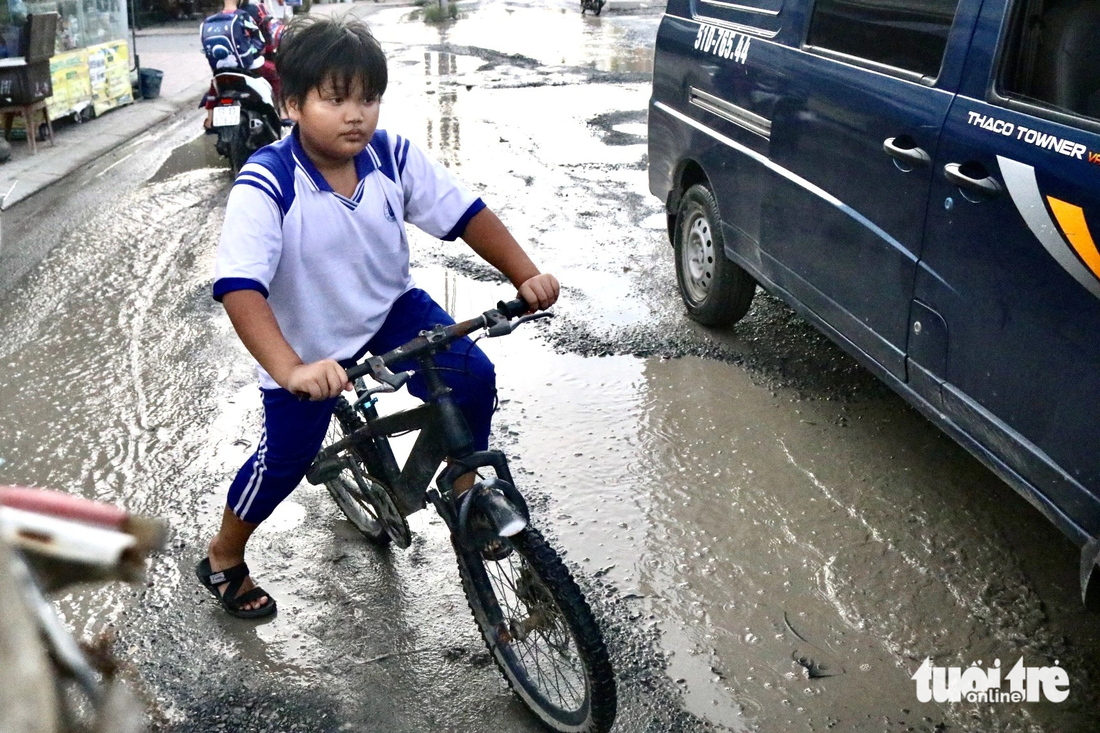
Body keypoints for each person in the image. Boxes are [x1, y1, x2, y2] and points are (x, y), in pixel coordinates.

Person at [194, 16, 560, 618]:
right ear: (290, 105)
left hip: (390, 310)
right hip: (306, 342)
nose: (356, 114)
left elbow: (465, 213)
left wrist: (525, 274)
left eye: (368, 98)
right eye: (335, 99)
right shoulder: (267, 183)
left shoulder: (390, 155)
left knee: (470, 375)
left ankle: (467, 491)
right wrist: (290, 368)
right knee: (285, 458)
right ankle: (224, 557)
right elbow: (240, 290)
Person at [199, 0, 281, 128]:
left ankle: (210, 119)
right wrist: (251, 52)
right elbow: (260, 40)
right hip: (249, 65)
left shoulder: (209, 21)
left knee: (214, 87)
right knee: (276, 74)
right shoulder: (243, 15)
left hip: (222, 68)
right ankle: (282, 114)